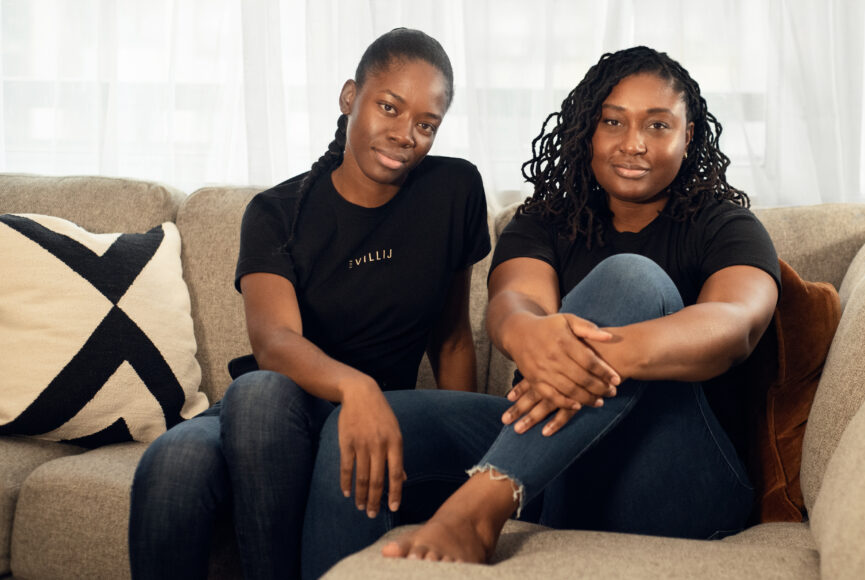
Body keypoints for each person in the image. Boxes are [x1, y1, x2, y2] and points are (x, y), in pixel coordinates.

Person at [301, 45, 780, 572]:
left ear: (688, 135)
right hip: (559, 464)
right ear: (586, 131)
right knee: (361, 423)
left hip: (682, 481)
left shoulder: (724, 226)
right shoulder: (547, 221)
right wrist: (527, 333)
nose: (633, 144)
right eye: (612, 122)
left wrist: (583, 357)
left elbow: (734, 325)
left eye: (658, 126)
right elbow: (515, 302)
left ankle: (480, 509)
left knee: (630, 278)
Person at [128, 28, 490, 580]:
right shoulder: (277, 212)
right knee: (175, 460)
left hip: (373, 412)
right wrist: (357, 386)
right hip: (274, 414)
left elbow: (452, 337)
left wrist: (464, 461)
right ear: (350, 97)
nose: (404, 135)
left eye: (425, 125)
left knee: (255, 394)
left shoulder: (455, 190)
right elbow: (274, 343)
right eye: (388, 108)